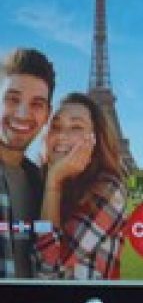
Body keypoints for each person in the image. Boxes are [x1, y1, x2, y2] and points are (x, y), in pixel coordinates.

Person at [35, 92, 127, 280]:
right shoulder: (34, 180)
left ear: (96, 138)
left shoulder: (109, 189)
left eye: (76, 127)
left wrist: (54, 182)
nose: (62, 135)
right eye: (55, 126)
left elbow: (50, 271)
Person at [0, 48, 55, 278]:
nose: (23, 114)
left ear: (47, 115)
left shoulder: (38, 182)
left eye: (37, 104)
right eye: (13, 100)